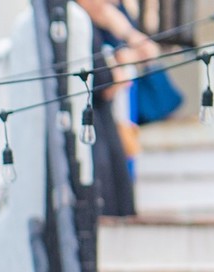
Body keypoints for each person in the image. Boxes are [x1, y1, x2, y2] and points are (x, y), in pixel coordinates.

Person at [75, 0, 163, 217]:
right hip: (96, 113)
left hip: (113, 110)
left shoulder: (115, 17)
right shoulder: (83, 21)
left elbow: (148, 52)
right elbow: (104, 83)